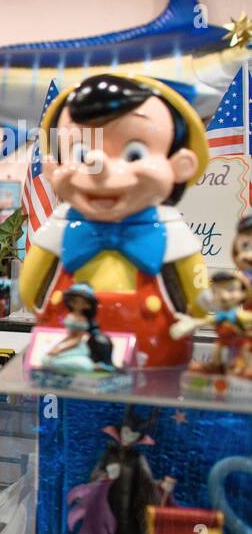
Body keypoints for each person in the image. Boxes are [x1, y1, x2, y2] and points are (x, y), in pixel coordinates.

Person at [19, 74, 209, 368]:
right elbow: (29, 291)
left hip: (154, 365)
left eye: (134, 153)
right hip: (70, 365)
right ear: (53, 167)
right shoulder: (59, 229)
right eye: (81, 153)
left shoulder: (172, 235)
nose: (100, 168)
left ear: (180, 165)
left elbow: (200, 299)